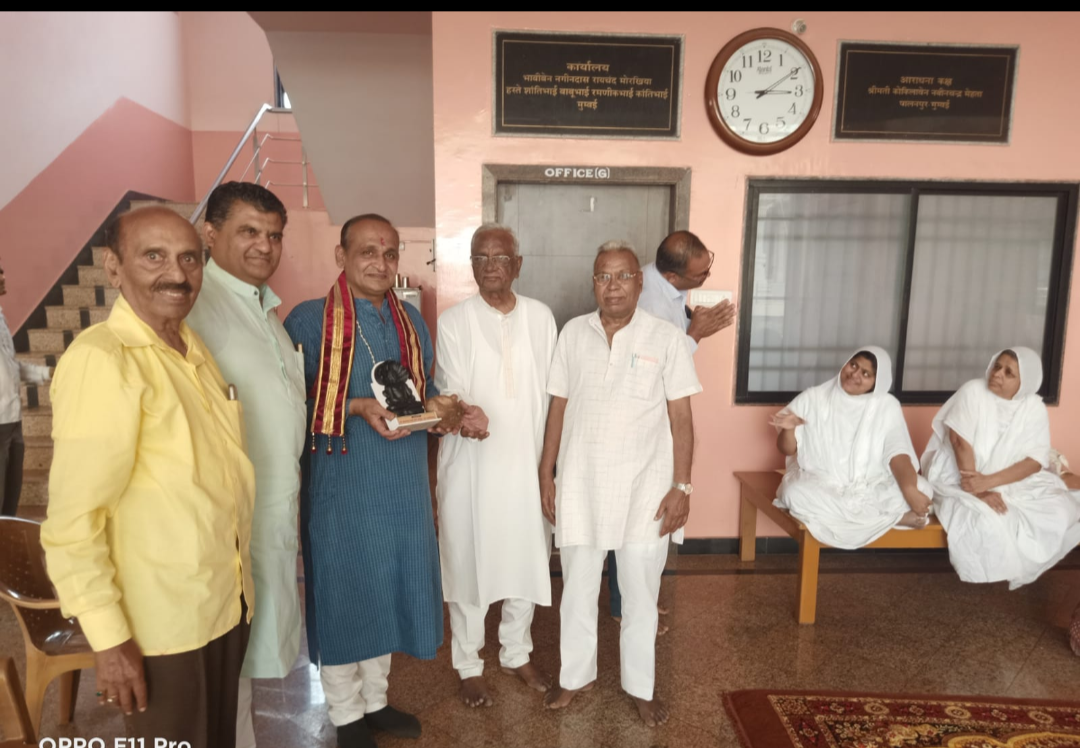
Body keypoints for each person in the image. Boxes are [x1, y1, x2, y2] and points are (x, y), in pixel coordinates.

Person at [41, 206, 255, 747]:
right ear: (114, 268)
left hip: (218, 604)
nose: (177, 274)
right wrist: (109, 639)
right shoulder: (104, 361)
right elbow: (73, 522)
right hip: (161, 626)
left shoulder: (189, 348)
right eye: (154, 257)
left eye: (189, 259)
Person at [284, 214, 456, 748]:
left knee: (388, 586)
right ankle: (345, 712)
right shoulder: (308, 320)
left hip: (401, 482)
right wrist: (355, 406)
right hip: (343, 484)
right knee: (346, 589)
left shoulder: (410, 320)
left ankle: (376, 701)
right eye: (367, 252)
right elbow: (288, 404)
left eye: (390, 253)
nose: (380, 263)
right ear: (341, 256)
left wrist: (443, 409)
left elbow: (418, 391)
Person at [539, 241, 701, 727]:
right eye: (603, 277)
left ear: (640, 282)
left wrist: (682, 487)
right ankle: (576, 677)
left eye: (623, 276)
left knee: (640, 596)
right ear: (594, 283)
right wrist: (546, 472)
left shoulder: (667, 338)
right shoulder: (573, 333)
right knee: (577, 589)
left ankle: (641, 688)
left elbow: (682, 418)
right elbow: (558, 406)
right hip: (580, 483)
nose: (613, 286)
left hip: (646, 488)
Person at [185, 183, 306, 748]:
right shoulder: (195, 306)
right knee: (221, 664)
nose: (265, 245)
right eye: (249, 232)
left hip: (269, 512)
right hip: (223, 524)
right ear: (210, 235)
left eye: (274, 235)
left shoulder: (265, 308)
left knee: (242, 664)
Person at [435, 224, 557, 708]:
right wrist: (468, 413)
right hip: (472, 466)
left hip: (527, 464)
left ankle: (516, 651)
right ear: (471, 265)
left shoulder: (541, 318)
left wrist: (552, 465)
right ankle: (468, 664)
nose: (491, 266)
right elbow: (450, 388)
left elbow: (555, 393)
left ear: (517, 265)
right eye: (481, 257)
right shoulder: (454, 321)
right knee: (467, 559)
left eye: (501, 257)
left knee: (526, 555)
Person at [610, 230, 736, 631]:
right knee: (634, 518)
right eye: (701, 275)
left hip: (660, 425)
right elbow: (658, 370)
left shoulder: (667, 287)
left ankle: (641, 598)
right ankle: (626, 605)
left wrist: (693, 323)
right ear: (673, 276)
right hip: (640, 427)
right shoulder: (647, 302)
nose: (707, 276)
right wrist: (695, 333)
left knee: (648, 517)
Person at [921, 348, 1080, 589]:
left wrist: (989, 482)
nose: (997, 374)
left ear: (1024, 383)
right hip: (958, 473)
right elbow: (959, 442)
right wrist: (978, 490)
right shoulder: (973, 391)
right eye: (997, 366)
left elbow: (1034, 461)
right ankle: (999, 569)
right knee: (988, 521)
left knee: (1060, 509)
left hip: (1007, 479)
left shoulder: (1033, 407)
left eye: (1008, 373)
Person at [771, 347, 932, 548]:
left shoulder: (886, 405)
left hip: (871, 485)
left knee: (923, 488)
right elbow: (787, 450)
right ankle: (894, 519)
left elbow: (898, 453)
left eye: (866, 374)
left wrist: (909, 490)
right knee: (793, 493)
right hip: (823, 483)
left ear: (876, 382)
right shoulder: (813, 397)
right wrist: (788, 429)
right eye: (853, 365)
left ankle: (855, 518)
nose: (854, 374)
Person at [0, 263, 50, 517]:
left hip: (13, 421)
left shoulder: (1, 318)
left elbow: (9, 367)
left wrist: (46, 374)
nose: (3, 277)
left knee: (10, 500)